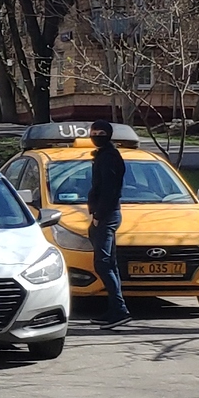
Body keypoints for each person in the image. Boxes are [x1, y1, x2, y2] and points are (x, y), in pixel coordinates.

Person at [86, 118, 131, 328]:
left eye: (100, 133)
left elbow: (110, 191)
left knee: (102, 263)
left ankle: (120, 310)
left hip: (107, 215)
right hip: (105, 215)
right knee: (109, 263)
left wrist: (98, 215)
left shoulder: (110, 157)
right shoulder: (103, 155)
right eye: (93, 132)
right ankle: (115, 308)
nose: (95, 136)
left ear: (108, 135)